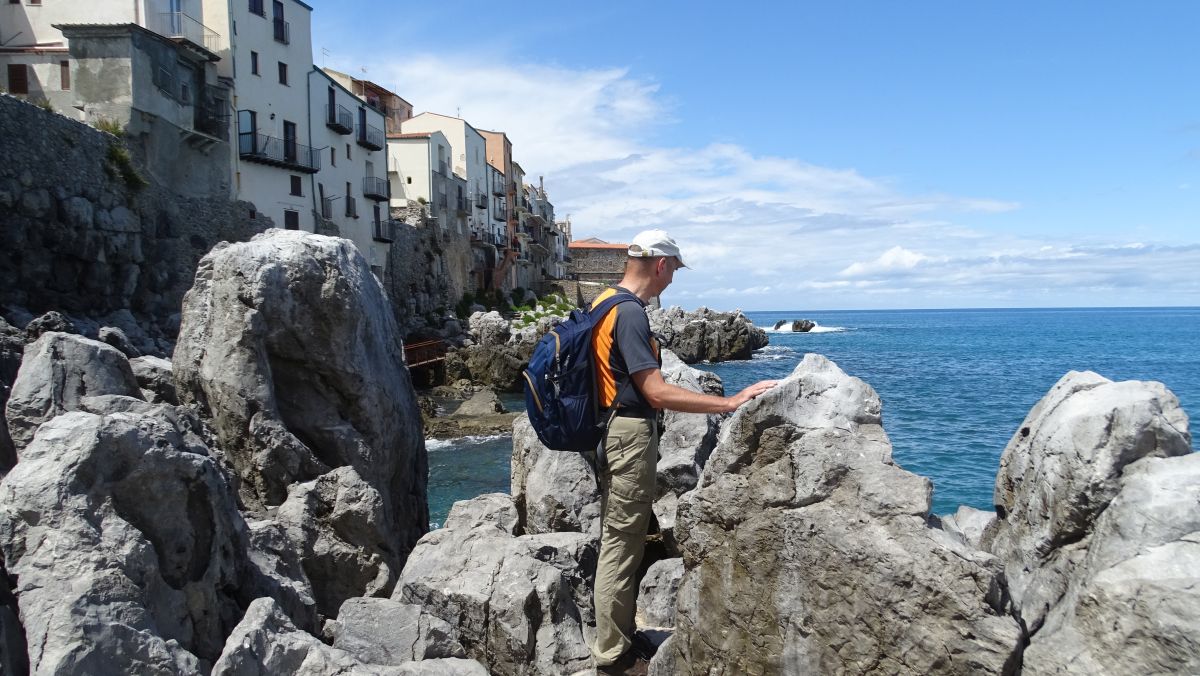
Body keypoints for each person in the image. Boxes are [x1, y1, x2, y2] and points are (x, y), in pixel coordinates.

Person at [589, 229, 778, 674]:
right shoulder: (631, 314)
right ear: (660, 264)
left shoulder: (602, 302)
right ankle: (612, 656)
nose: (673, 280)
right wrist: (728, 403)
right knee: (622, 543)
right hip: (629, 435)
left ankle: (615, 635)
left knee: (619, 537)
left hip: (606, 430)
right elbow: (654, 390)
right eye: (673, 269)